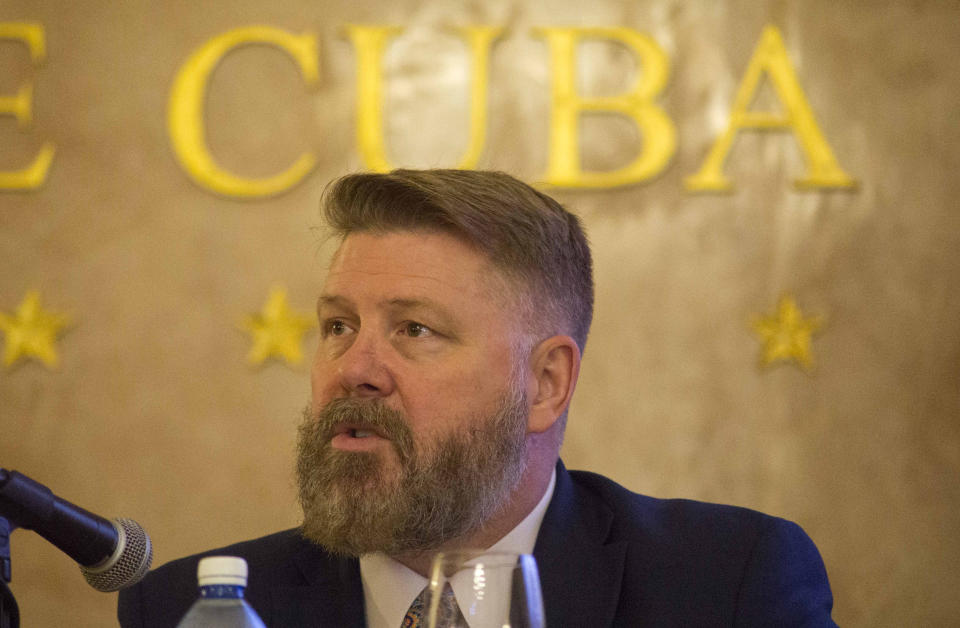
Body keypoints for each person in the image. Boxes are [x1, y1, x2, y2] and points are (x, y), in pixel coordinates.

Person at [118, 169, 836, 627]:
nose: (354, 368)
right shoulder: (185, 610)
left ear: (545, 383)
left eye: (415, 329)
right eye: (338, 326)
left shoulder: (728, 587)